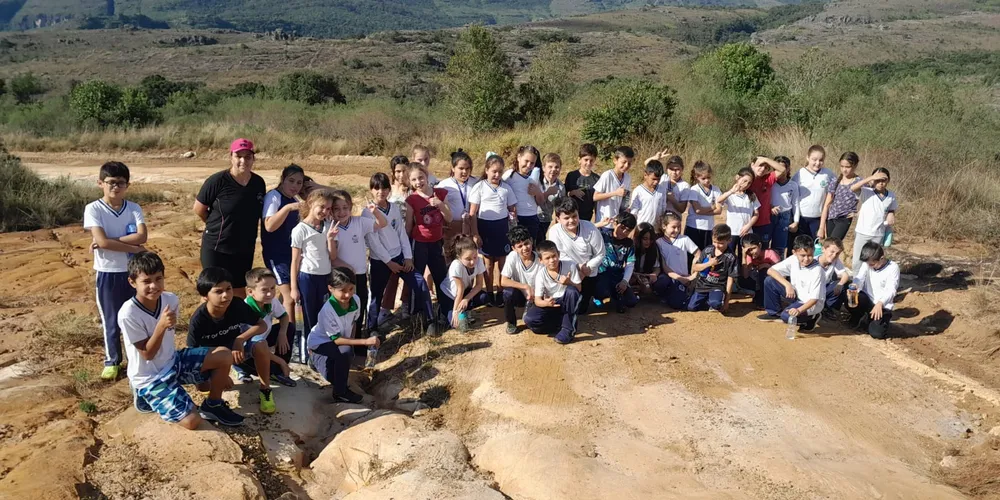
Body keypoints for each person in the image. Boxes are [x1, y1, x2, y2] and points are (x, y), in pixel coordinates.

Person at [121, 251, 243, 429]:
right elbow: (147, 354)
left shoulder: (170, 299)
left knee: (224, 355)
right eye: (146, 281)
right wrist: (161, 326)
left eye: (158, 279)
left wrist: (207, 376)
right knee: (192, 421)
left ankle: (213, 405)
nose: (154, 286)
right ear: (132, 282)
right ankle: (143, 393)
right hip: (150, 377)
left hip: (173, 361)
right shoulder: (128, 313)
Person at [84, 161, 147, 380]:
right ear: (100, 183)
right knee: (110, 320)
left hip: (133, 272)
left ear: (127, 185)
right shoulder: (93, 209)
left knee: (136, 317)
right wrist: (133, 247)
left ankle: (137, 358)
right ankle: (112, 361)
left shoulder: (133, 208)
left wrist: (107, 241)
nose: (115, 187)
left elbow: (142, 237)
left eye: (120, 183)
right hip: (108, 272)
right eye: (110, 182)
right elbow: (101, 242)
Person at [187, 268, 273, 414]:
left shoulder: (237, 305)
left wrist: (240, 339)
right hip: (212, 358)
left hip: (235, 350)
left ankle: (265, 390)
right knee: (203, 387)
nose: (226, 295)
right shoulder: (199, 320)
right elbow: (192, 353)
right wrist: (220, 373)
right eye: (218, 292)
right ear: (205, 296)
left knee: (261, 344)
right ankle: (214, 396)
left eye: (228, 289)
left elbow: (262, 325)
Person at [193, 138, 267, 298]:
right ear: (231, 157)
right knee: (214, 292)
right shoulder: (217, 181)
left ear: (253, 158)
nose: (243, 160)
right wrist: (216, 226)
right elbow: (199, 209)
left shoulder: (258, 183)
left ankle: (236, 323)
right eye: (238, 156)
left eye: (248, 156)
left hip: (244, 248)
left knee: (240, 291)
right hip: (217, 247)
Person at [308, 268, 380, 404]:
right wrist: (364, 342)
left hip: (340, 342)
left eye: (351, 289)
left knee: (346, 354)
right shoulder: (327, 311)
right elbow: (337, 340)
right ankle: (340, 392)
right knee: (340, 364)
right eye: (342, 290)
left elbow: (353, 323)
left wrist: (351, 345)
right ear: (330, 288)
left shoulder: (356, 300)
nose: (348, 295)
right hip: (321, 343)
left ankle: (333, 372)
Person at [330, 189, 388, 339]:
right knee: (343, 309)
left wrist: (375, 212)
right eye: (336, 209)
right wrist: (347, 268)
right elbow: (333, 257)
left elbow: (382, 223)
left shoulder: (359, 222)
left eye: (345, 208)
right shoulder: (331, 228)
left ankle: (357, 340)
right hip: (342, 277)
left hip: (360, 275)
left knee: (359, 308)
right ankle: (345, 341)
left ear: (350, 207)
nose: (341, 212)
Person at [365, 173, 419, 335]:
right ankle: (371, 328)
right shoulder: (367, 213)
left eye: (384, 188)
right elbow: (373, 242)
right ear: (371, 190)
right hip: (379, 260)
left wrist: (407, 256)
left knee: (419, 284)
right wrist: (388, 262)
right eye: (376, 188)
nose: (380, 191)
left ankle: (423, 317)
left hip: (398, 256)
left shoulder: (394, 207)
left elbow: (401, 233)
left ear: (389, 190)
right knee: (376, 294)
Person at [290, 189, 338, 363]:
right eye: (322, 207)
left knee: (322, 316)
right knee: (308, 318)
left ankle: (320, 351)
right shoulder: (300, 230)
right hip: (307, 278)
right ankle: (307, 354)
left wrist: (331, 239)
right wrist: (294, 288)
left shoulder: (327, 226)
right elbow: (295, 261)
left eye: (328, 208)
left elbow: (332, 256)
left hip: (325, 278)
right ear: (310, 203)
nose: (324, 211)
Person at [405, 162, 452, 335]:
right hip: (419, 244)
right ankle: (420, 316)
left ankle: (445, 312)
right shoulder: (411, 200)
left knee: (441, 277)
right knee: (418, 280)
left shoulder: (440, 193)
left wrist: (439, 204)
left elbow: (449, 216)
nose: (418, 182)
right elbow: (409, 225)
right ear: (410, 182)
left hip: (436, 242)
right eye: (414, 179)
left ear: (427, 176)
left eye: (421, 177)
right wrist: (406, 250)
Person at [261, 164, 304, 338]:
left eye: (299, 183)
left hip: (291, 255)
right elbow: (269, 226)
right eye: (291, 181)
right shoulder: (274, 197)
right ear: (282, 179)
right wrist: (286, 209)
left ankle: (274, 323)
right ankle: (290, 336)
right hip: (276, 255)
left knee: (285, 295)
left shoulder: (294, 200)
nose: (295, 186)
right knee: (290, 298)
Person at [469, 154, 517, 307]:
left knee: (502, 263)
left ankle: (501, 292)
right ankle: (489, 293)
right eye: (494, 171)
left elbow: (512, 208)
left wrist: (512, 216)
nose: (497, 175)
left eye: (500, 172)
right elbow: (472, 214)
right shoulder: (479, 187)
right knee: (488, 264)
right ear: (487, 170)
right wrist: (475, 233)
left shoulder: (506, 188)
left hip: (502, 228)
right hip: (485, 228)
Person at [546, 198, 605, 314]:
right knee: (566, 306)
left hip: (588, 271)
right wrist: (578, 268)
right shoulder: (554, 231)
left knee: (582, 310)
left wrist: (587, 268)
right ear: (558, 219)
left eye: (574, 216)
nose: (571, 220)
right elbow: (560, 255)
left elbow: (600, 253)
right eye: (566, 218)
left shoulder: (590, 228)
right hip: (568, 272)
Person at [241, 268, 296, 387]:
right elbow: (255, 346)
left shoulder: (271, 301)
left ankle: (279, 370)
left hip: (263, 342)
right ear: (250, 292)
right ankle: (244, 370)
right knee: (265, 368)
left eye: (272, 288)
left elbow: (284, 317)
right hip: (249, 352)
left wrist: (282, 334)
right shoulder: (245, 310)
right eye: (264, 290)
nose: (270, 293)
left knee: (289, 328)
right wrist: (280, 361)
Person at [758, 235, 825, 332]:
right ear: (794, 252)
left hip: (810, 303)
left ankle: (812, 317)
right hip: (796, 295)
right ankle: (774, 313)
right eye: (802, 255)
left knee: (786, 316)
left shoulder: (817, 270)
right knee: (769, 281)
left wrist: (799, 310)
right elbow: (771, 270)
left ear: (813, 251)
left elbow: (814, 299)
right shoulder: (793, 259)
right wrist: (787, 284)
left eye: (810, 255)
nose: (806, 259)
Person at [525, 240, 583, 344]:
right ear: (541, 260)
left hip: (566, 300)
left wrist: (569, 282)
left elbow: (579, 289)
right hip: (551, 303)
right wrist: (546, 303)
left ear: (559, 254)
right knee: (530, 320)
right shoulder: (540, 275)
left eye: (554, 256)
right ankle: (559, 323)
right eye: (547, 258)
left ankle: (568, 330)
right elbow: (538, 300)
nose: (552, 260)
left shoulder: (570, 266)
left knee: (572, 291)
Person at [845, 242, 899, 339]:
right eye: (868, 264)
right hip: (867, 299)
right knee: (847, 292)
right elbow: (860, 278)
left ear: (881, 258)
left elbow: (891, 289)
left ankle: (870, 321)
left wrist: (880, 303)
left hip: (882, 305)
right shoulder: (867, 264)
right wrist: (855, 286)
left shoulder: (893, 268)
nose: (869, 266)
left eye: (872, 264)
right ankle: (857, 316)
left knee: (877, 333)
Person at [381, 155, 412, 320]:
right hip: (390, 239)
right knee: (391, 274)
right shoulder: (389, 190)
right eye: (397, 171)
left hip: (409, 237)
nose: (401, 175)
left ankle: (405, 303)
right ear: (393, 173)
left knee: (408, 271)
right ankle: (385, 308)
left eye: (404, 171)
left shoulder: (413, 188)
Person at [850, 168, 897, 271]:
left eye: (883, 180)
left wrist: (891, 214)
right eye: (877, 180)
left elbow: (892, 209)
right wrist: (871, 178)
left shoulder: (891, 196)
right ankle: (856, 284)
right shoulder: (867, 192)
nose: (880, 183)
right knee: (858, 261)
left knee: (873, 261)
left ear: (888, 180)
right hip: (863, 231)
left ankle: (869, 284)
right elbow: (853, 188)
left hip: (878, 233)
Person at [439, 235, 490, 330]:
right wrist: (455, 312)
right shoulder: (456, 265)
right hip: (449, 295)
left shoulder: (479, 261)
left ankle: (465, 311)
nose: (472, 262)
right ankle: (445, 311)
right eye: (468, 259)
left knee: (484, 297)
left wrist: (466, 299)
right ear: (459, 257)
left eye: (474, 257)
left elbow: (479, 285)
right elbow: (460, 289)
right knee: (456, 325)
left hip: (464, 292)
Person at [653, 212, 701, 310]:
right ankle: (664, 296)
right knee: (661, 282)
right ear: (664, 226)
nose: (677, 230)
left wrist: (693, 274)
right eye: (673, 227)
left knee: (677, 304)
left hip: (684, 277)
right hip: (670, 277)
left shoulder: (684, 239)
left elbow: (698, 254)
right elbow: (664, 266)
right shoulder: (659, 242)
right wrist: (679, 278)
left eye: (679, 227)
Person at [500, 225, 543, 334]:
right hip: (521, 294)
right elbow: (503, 281)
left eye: (527, 243)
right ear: (514, 248)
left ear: (532, 241)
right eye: (520, 246)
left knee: (535, 325)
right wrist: (525, 287)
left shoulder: (540, 258)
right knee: (507, 293)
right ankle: (511, 322)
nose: (525, 248)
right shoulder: (512, 257)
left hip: (538, 295)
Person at [595, 213, 639, 313]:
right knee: (601, 291)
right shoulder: (603, 234)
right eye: (622, 227)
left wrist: (624, 281)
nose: (624, 232)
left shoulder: (629, 243)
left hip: (618, 276)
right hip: (602, 274)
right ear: (615, 223)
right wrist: (600, 224)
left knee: (631, 302)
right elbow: (585, 229)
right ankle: (599, 296)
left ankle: (615, 296)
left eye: (628, 230)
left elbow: (630, 263)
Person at [688, 224, 737, 313]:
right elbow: (695, 267)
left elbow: (730, 280)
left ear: (729, 240)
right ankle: (707, 300)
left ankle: (715, 300)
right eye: (714, 242)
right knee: (692, 307)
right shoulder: (707, 250)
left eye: (721, 243)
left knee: (716, 304)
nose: (717, 245)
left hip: (717, 286)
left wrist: (726, 302)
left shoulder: (731, 257)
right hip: (702, 285)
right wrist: (709, 263)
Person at [715, 167, 760, 264]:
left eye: (749, 183)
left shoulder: (751, 195)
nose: (746, 185)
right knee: (729, 256)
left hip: (746, 232)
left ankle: (743, 277)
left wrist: (748, 226)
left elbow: (756, 214)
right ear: (737, 178)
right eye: (744, 181)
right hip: (732, 231)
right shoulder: (730, 194)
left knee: (745, 257)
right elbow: (719, 200)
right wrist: (731, 191)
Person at [792, 145, 836, 239]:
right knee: (800, 248)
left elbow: (839, 186)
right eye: (814, 159)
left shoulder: (828, 173)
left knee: (816, 248)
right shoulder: (800, 174)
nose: (817, 163)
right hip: (801, 218)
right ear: (808, 158)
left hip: (818, 218)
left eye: (821, 160)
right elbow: (791, 194)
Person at [503, 146, 546, 241]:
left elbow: (541, 202)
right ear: (519, 157)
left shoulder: (534, 179)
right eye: (526, 161)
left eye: (532, 163)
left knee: (529, 248)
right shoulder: (509, 176)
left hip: (532, 218)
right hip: (515, 219)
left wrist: (537, 192)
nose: (528, 165)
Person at [819, 152, 864, 241]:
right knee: (829, 245)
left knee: (834, 244)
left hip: (844, 219)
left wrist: (858, 213)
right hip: (831, 218)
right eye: (842, 166)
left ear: (855, 166)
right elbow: (827, 205)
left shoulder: (859, 182)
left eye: (847, 167)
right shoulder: (835, 181)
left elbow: (869, 200)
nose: (844, 170)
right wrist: (821, 227)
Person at [438, 150, 478, 242]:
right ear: (453, 168)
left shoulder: (476, 182)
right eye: (461, 168)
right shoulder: (444, 185)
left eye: (467, 168)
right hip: (452, 227)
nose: (464, 171)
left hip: (470, 227)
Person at [747, 155, 787, 248]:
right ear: (752, 165)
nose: (762, 169)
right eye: (760, 165)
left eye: (766, 167)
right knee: (748, 251)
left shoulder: (768, 179)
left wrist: (765, 159)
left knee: (763, 250)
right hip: (748, 223)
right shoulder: (746, 180)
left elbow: (782, 169)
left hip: (764, 222)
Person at [682, 161, 723, 250]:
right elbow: (697, 210)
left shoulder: (716, 190)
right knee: (692, 256)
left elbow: (719, 211)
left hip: (709, 228)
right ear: (697, 177)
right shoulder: (694, 189)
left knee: (706, 255)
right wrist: (712, 207)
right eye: (703, 178)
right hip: (694, 227)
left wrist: (702, 211)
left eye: (708, 177)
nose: (707, 180)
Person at [738, 233, 781, 307]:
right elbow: (745, 275)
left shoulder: (770, 253)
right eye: (748, 250)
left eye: (753, 248)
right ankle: (758, 296)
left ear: (760, 245)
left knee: (763, 272)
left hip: (772, 281)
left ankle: (766, 300)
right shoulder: (749, 255)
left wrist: (767, 265)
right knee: (743, 279)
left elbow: (781, 271)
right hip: (759, 281)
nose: (751, 252)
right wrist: (744, 256)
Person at [593, 146, 634, 222]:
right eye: (624, 162)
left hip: (618, 221)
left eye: (629, 163)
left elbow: (626, 197)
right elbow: (595, 197)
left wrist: (625, 210)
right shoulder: (607, 175)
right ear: (615, 160)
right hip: (604, 221)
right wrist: (615, 193)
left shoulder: (628, 177)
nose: (626, 166)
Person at [815, 238, 851, 321]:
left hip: (824, 289)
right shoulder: (813, 262)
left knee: (843, 285)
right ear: (823, 249)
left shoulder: (835, 261)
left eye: (837, 253)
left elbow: (845, 275)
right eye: (832, 252)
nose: (834, 255)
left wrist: (840, 284)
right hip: (813, 290)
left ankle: (827, 308)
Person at [769, 156, 798, 257]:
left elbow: (795, 204)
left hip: (785, 217)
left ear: (788, 169)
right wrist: (770, 207)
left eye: (783, 168)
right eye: (777, 169)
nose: (780, 172)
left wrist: (796, 221)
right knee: (765, 243)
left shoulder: (793, 185)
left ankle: (778, 269)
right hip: (769, 215)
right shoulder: (770, 183)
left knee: (780, 247)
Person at [565, 143, 601, 222]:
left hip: (587, 217)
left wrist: (597, 220)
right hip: (570, 216)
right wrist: (573, 192)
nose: (588, 163)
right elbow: (564, 195)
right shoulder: (571, 176)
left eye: (591, 160)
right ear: (579, 160)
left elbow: (597, 203)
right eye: (586, 160)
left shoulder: (597, 179)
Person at [536, 153, 566, 244]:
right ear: (544, 168)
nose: (553, 170)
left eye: (557, 167)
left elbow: (560, 208)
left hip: (546, 220)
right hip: (533, 217)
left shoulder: (560, 187)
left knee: (540, 243)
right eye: (550, 167)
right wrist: (547, 193)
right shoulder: (536, 181)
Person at [628, 160, 666, 229]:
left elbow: (663, 210)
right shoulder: (638, 191)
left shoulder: (662, 190)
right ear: (645, 175)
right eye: (653, 179)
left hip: (656, 230)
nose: (656, 182)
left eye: (658, 179)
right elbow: (634, 212)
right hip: (641, 230)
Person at [631, 222, 660, 297]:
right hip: (633, 275)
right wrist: (637, 276)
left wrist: (654, 275)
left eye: (650, 239)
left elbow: (657, 267)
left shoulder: (654, 248)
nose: (648, 242)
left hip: (646, 275)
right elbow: (626, 268)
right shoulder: (631, 248)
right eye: (645, 239)